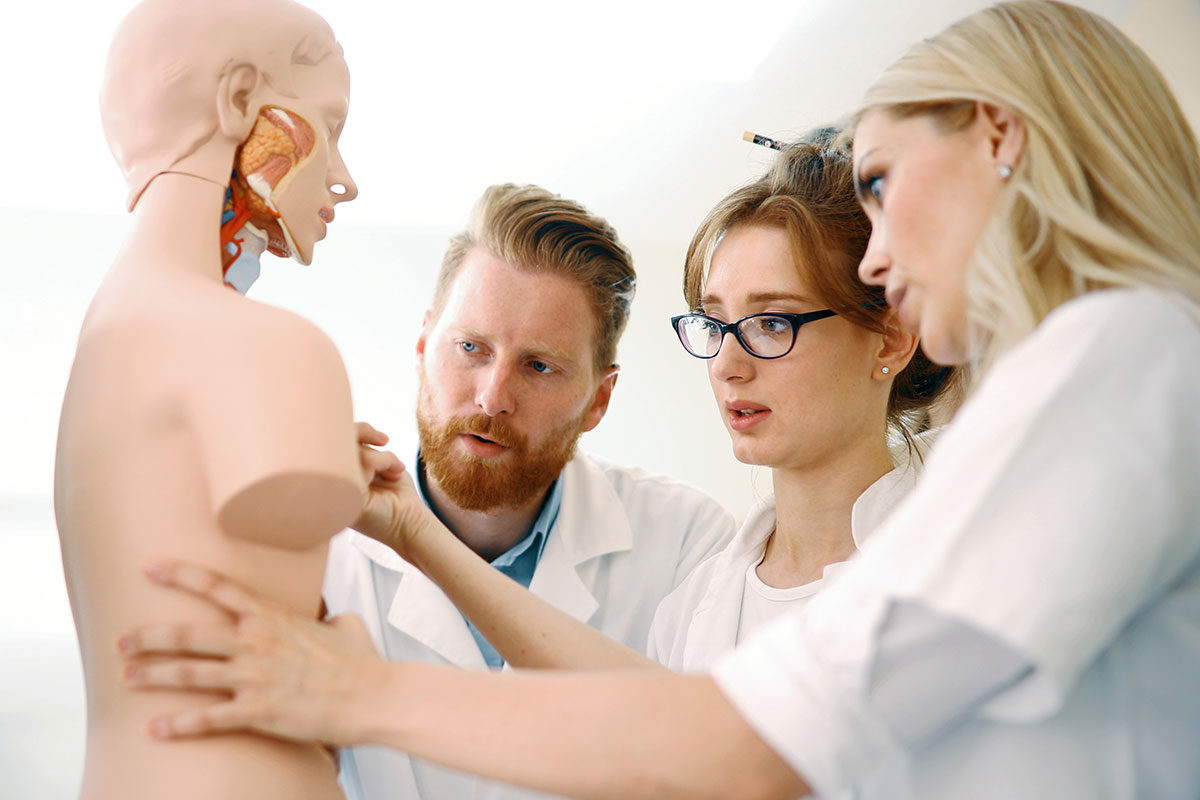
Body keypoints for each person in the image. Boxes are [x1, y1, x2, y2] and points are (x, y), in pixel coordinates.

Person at [117, 2, 1200, 798]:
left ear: (999, 136)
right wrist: (407, 534)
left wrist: (350, 692)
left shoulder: (1120, 353)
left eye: (880, 180)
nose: (876, 259)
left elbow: (752, 742)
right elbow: (678, 704)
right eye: (717, 322)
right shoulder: (1094, 383)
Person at [323, 182, 737, 799]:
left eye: (539, 366)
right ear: (421, 346)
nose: (492, 397)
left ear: (599, 399)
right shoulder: (323, 548)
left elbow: (717, 767)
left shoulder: (686, 545)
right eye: (470, 348)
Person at [57, 1, 363, 799]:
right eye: (327, 126)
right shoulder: (274, 349)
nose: (345, 176)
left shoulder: (102, 351)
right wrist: (358, 666)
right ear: (237, 103)